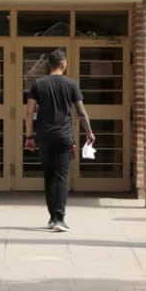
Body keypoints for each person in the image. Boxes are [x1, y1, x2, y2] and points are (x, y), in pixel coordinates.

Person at [24, 49, 95, 232]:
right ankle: (59, 219)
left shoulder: (38, 84)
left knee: (49, 175)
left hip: (44, 136)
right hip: (64, 136)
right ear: (64, 64)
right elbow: (81, 112)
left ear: (49, 64)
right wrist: (89, 132)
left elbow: (29, 112)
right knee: (61, 176)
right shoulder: (71, 84)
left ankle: (52, 217)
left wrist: (29, 136)